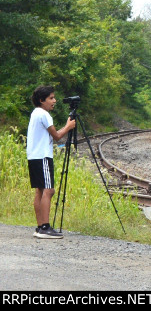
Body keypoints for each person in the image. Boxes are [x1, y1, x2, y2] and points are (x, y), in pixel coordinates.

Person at [27, 86, 75, 239]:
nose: (54, 101)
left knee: (40, 191)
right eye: (51, 98)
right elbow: (57, 136)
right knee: (49, 190)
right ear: (42, 100)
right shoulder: (44, 114)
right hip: (43, 157)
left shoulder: (35, 113)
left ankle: (40, 227)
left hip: (34, 157)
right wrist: (68, 126)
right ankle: (46, 228)